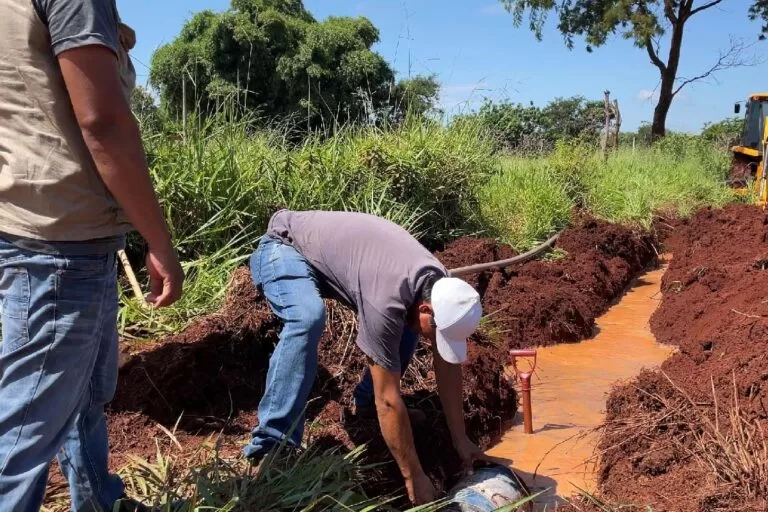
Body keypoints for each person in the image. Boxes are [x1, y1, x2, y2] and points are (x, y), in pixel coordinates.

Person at [0, 1, 184, 511]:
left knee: (82, 398)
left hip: (51, 233)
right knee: (24, 435)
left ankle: (99, 500)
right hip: (59, 245)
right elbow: (102, 120)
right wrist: (160, 242)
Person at [246, 209, 492, 505]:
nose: (435, 341)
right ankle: (272, 444)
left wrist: (460, 439)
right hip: (283, 247)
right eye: (436, 333)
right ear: (427, 309)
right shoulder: (386, 300)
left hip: (338, 259)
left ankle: (362, 407)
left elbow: (447, 362)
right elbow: (388, 400)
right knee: (307, 318)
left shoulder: (441, 286)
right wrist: (413, 476)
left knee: (408, 330)